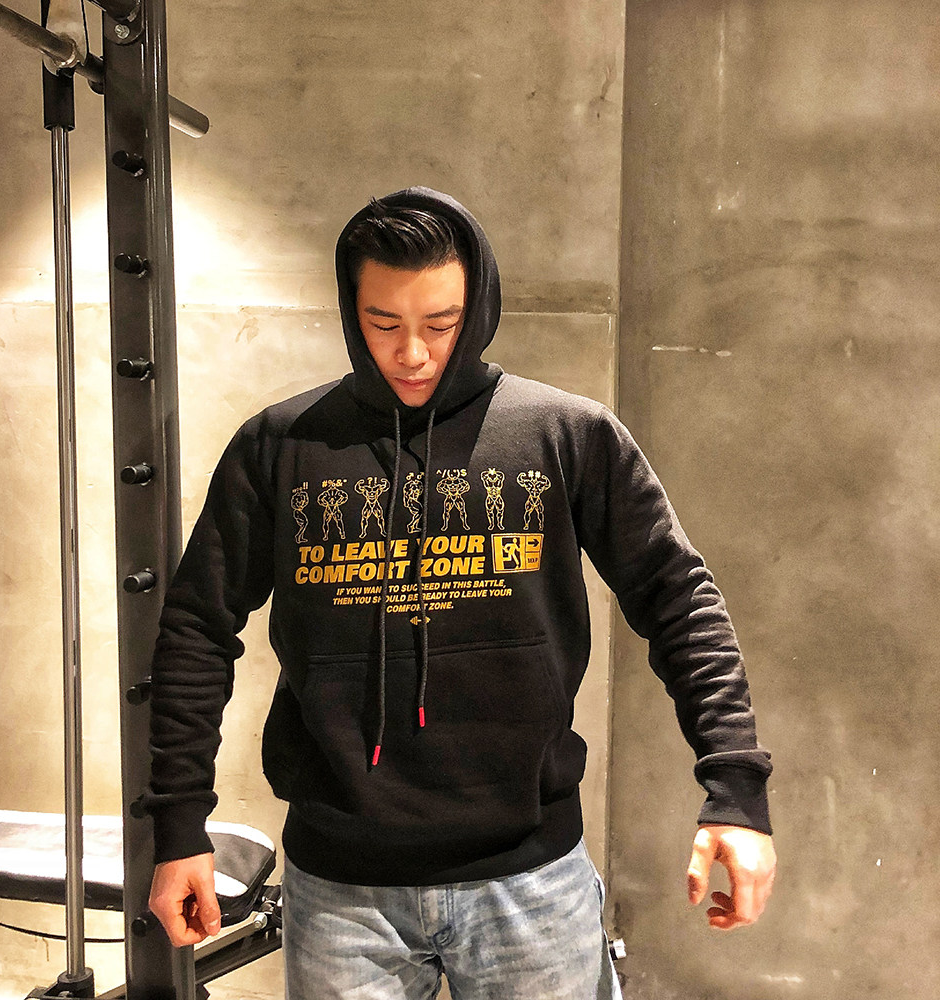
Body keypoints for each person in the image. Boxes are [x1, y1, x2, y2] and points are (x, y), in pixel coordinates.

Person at [146, 187, 776, 999]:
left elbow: (678, 601)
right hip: (342, 889)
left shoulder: (565, 434)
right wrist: (179, 825)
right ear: (351, 311)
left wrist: (735, 791)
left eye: (440, 325)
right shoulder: (281, 446)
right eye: (383, 324)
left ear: (477, 310)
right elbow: (197, 629)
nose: (412, 354)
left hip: (531, 879)